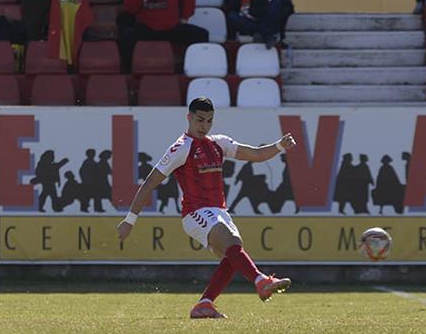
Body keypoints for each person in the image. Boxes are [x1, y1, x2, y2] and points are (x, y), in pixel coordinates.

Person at [117, 97, 296, 319]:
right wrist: (130, 220)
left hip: (219, 211)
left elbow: (256, 155)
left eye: (209, 121)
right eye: (200, 120)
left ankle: (205, 304)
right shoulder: (180, 148)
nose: (204, 126)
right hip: (195, 213)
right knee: (232, 245)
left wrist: (279, 146)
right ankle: (261, 281)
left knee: (234, 256)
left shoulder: (218, 143)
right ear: (189, 117)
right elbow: (149, 183)